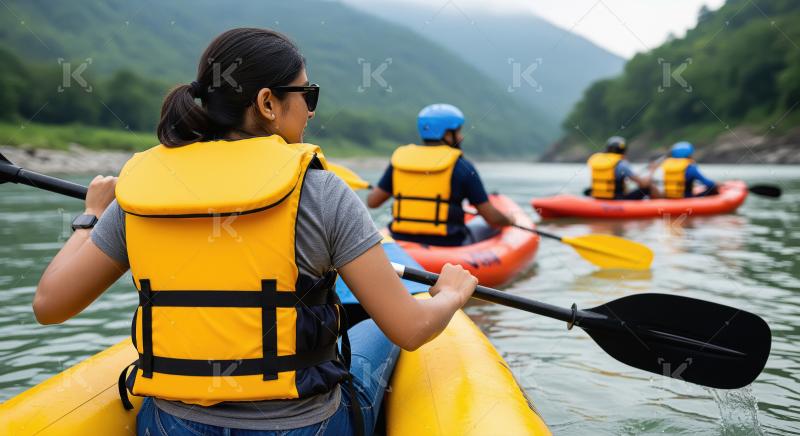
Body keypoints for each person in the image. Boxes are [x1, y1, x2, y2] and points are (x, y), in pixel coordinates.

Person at [32, 28, 479, 436]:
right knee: (381, 326)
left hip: (172, 425)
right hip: (304, 426)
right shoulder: (321, 190)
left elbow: (50, 305)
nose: (309, 107)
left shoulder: (140, 190)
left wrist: (92, 216)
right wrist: (450, 296)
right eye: (307, 93)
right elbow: (411, 330)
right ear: (268, 103)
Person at [366, 104, 513, 247]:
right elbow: (492, 218)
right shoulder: (462, 166)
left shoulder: (398, 162)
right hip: (448, 242)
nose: (461, 136)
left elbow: (372, 202)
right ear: (448, 134)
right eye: (459, 131)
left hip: (400, 239)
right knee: (485, 225)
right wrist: (509, 220)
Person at [587, 136, 658, 200]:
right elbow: (643, 184)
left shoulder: (597, 160)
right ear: (623, 151)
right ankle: (658, 207)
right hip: (616, 199)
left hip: (598, 197)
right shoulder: (622, 164)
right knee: (648, 187)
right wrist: (652, 171)